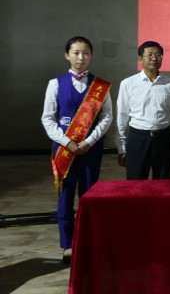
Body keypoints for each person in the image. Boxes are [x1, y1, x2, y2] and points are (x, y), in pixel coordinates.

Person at [41, 36, 113, 264]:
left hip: (91, 149)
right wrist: (67, 142)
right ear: (67, 55)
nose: (81, 57)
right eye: (76, 53)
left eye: (86, 53)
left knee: (88, 196)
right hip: (65, 151)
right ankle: (68, 244)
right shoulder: (55, 84)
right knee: (65, 197)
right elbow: (48, 119)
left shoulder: (100, 86)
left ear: (91, 56)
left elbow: (107, 117)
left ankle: (87, 241)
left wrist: (89, 141)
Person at [115, 41, 170, 180]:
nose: (154, 58)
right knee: (136, 184)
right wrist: (121, 148)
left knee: (164, 184)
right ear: (140, 59)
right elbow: (121, 118)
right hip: (138, 139)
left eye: (158, 55)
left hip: (164, 140)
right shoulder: (128, 83)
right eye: (150, 55)